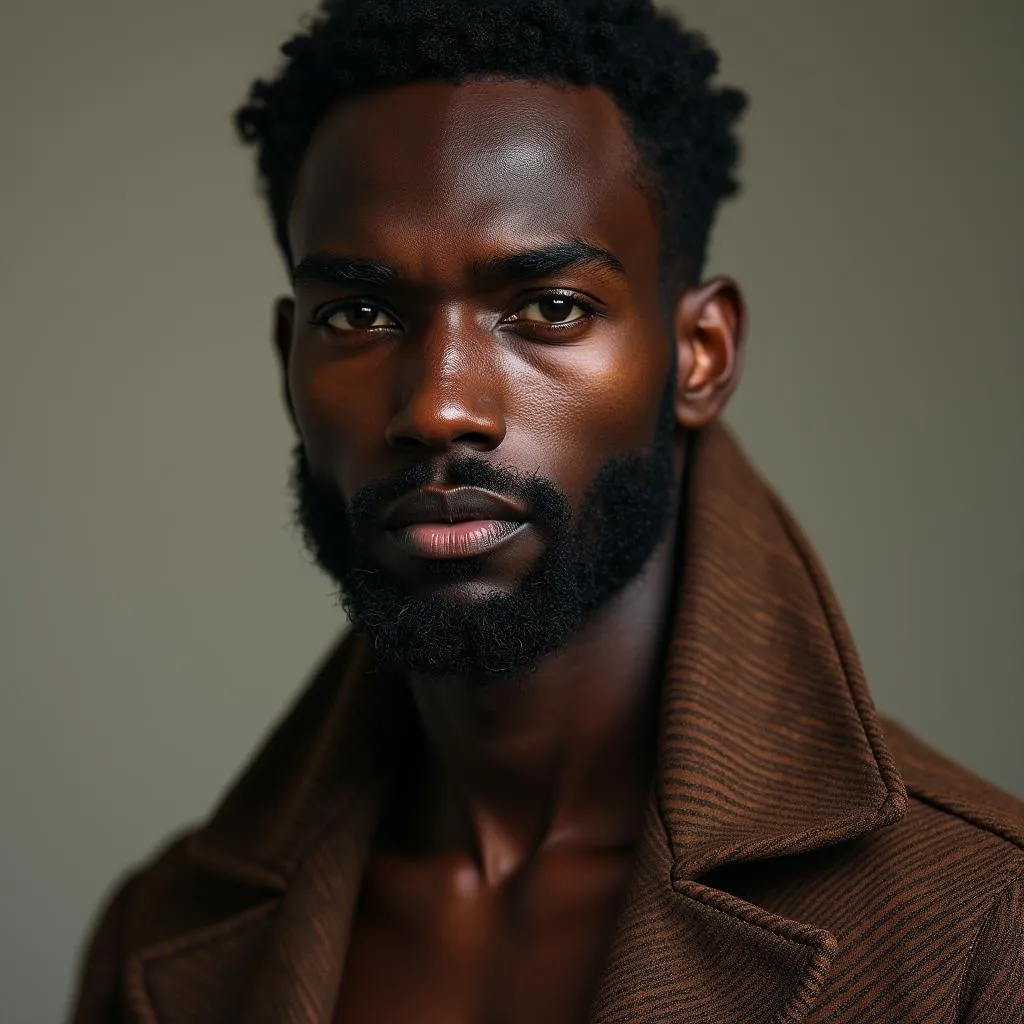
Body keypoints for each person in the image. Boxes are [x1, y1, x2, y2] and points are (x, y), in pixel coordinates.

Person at [69, 1, 1024, 1021]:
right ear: (284, 361)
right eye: (357, 315)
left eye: (549, 309)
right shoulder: (162, 931)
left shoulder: (980, 921)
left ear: (701, 353)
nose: (437, 403)